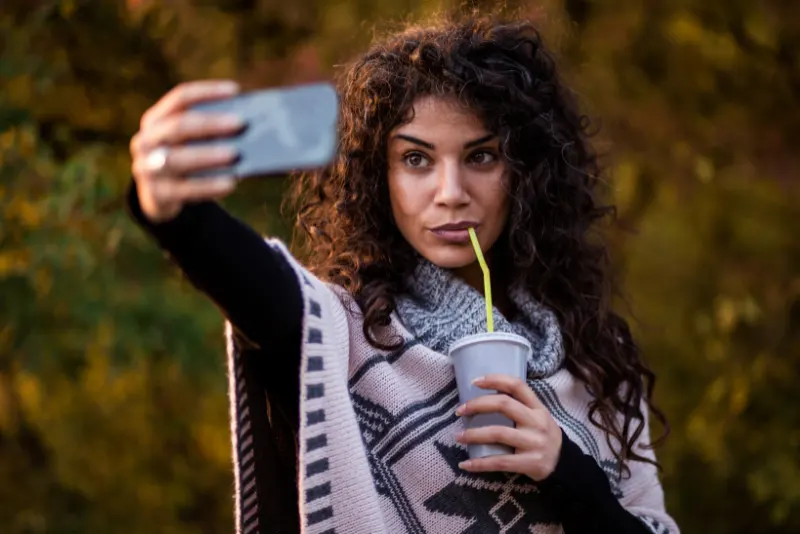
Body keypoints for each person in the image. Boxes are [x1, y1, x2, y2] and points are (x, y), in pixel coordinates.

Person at [127, 15, 679, 534]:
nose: (451, 193)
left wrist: (564, 467)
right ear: (378, 176)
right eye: (416, 160)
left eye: (481, 157)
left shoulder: (599, 362)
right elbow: (253, 285)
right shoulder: (342, 337)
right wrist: (172, 211)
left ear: (525, 172)